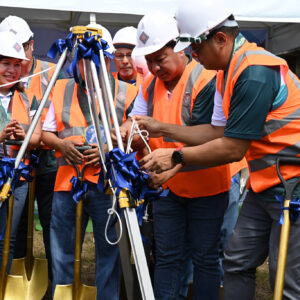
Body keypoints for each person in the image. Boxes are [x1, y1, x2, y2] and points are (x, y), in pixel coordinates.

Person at [137, 1, 300, 299]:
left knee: (286, 279)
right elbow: (215, 131)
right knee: (236, 260)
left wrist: (175, 156)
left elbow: (232, 148)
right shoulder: (227, 72)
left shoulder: (254, 71)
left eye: (196, 49)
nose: (193, 56)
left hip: (293, 184)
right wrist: (163, 128)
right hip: (266, 183)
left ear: (221, 39)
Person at [120, 11, 231, 300]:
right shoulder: (149, 85)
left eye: (161, 58)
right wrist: (125, 133)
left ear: (180, 48)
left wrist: (168, 158)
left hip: (207, 189)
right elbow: (134, 122)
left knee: (205, 258)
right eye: (150, 61)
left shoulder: (207, 80)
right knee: (168, 257)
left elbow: (211, 136)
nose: (155, 67)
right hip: (167, 189)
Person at [41, 23, 137, 300]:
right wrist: (60, 145)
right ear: (76, 61)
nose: (88, 66)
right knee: (62, 248)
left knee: (109, 250)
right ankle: (64, 292)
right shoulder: (61, 89)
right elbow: (46, 133)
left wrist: (108, 148)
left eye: (95, 60)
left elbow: (137, 133)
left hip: (107, 184)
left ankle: (106, 296)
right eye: (83, 61)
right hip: (67, 183)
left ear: (107, 61)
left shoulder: (125, 92)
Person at [0, 15, 66, 279]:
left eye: (20, 57)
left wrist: (32, 134)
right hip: (18, 168)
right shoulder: (14, 87)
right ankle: (13, 278)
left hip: (45, 166)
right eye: (7, 61)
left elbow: (61, 115)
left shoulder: (52, 71)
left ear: (31, 44)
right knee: (11, 232)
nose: (16, 67)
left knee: (50, 226)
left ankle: (52, 283)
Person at [0, 31, 41, 270]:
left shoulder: (28, 99)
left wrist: (25, 137)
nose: (12, 70)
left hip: (19, 177)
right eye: (6, 63)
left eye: (17, 64)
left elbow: (38, 138)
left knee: (8, 237)